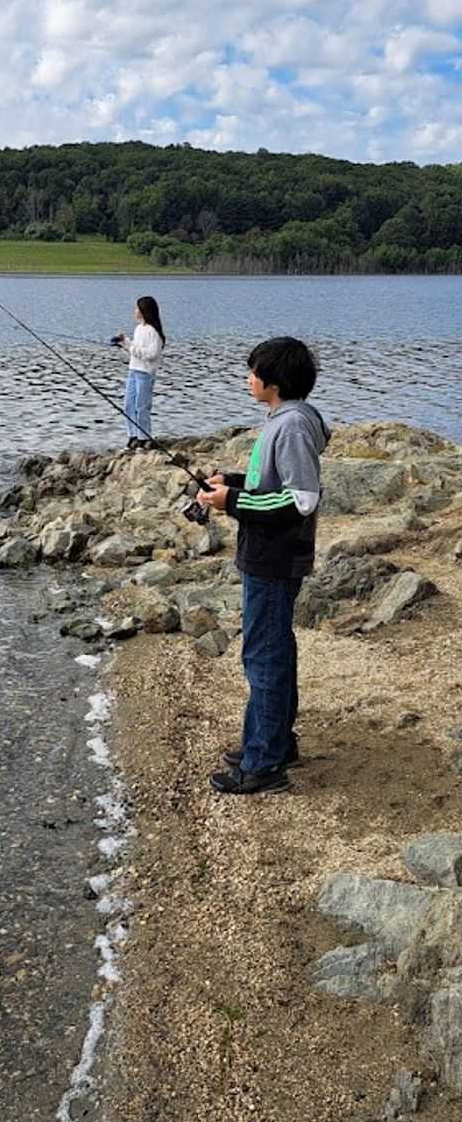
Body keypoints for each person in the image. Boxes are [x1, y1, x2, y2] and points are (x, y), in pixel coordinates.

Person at [196, 336, 331, 795]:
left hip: (273, 559)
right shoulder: (287, 419)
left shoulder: (291, 426)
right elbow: (267, 482)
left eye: (253, 372)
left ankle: (264, 764)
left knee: (264, 655)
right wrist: (231, 482)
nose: (248, 379)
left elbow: (301, 498)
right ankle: (274, 740)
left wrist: (230, 501)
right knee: (273, 649)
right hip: (270, 555)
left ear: (273, 382)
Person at [118, 296, 165, 450]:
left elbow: (152, 354)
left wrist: (131, 349)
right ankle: (133, 436)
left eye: (138, 308)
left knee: (142, 406)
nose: (135, 311)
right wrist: (125, 342)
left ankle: (144, 438)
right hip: (133, 371)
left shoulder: (154, 332)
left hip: (145, 373)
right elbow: (136, 349)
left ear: (145, 311)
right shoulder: (138, 329)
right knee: (129, 405)